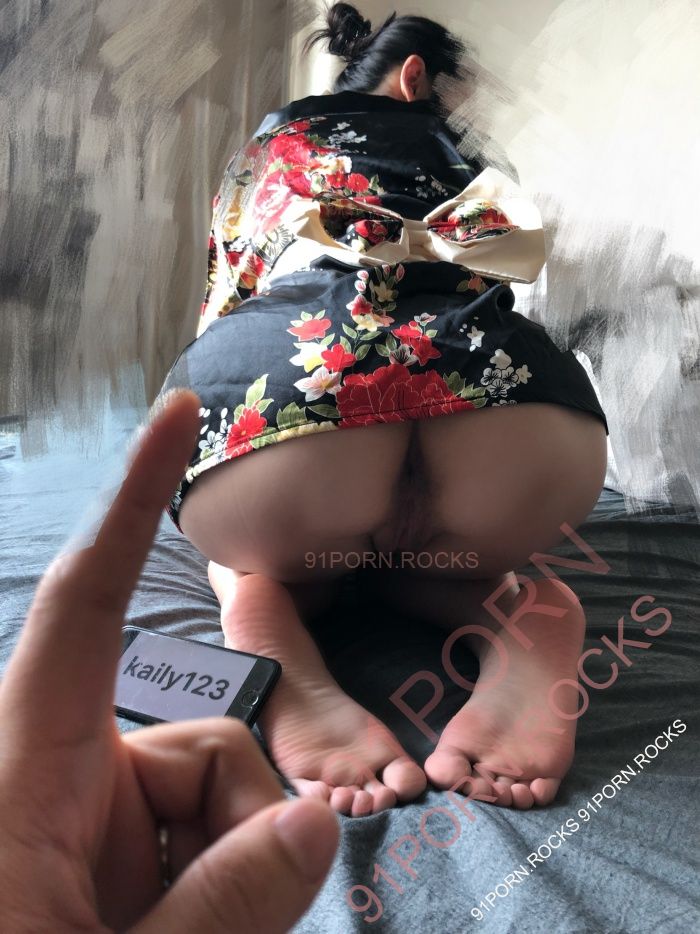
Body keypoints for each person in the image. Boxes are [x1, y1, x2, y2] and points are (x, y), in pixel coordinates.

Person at [157, 4, 609, 816]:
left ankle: (257, 599)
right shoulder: (463, 160)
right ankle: (521, 609)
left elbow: (228, 304)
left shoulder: (271, 148)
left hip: (297, 434)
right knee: (436, 565)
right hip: (524, 435)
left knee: (255, 546)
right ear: (415, 78)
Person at [0, 390, 339, 932]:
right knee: (438, 552)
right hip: (468, 421)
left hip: (274, 430)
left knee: (267, 533)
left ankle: (243, 579)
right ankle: (496, 623)